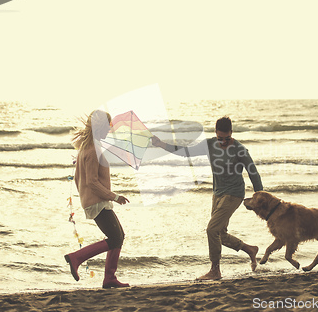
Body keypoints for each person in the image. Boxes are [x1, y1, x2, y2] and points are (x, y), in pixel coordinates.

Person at [152, 116, 263, 280]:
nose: (223, 142)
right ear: (215, 134)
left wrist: (259, 198)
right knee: (220, 234)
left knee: (212, 229)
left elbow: (253, 173)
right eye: (220, 138)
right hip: (217, 193)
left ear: (232, 133)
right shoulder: (209, 144)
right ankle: (249, 249)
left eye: (227, 138)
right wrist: (162, 145)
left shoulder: (239, 150)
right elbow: (185, 152)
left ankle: (215, 270)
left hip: (234, 194)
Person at [65, 110, 130, 288]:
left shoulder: (87, 146)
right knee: (116, 237)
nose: (110, 129)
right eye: (108, 125)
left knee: (119, 236)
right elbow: (91, 181)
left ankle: (110, 278)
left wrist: (86, 199)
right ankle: (76, 257)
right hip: (98, 202)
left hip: (95, 201)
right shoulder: (93, 149)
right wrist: (114, 197)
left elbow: (80, 180)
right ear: (100, 126)